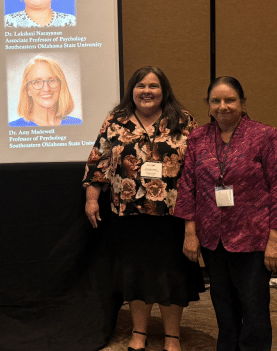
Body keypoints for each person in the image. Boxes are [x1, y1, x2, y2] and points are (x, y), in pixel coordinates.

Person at [82, 66, 204, 351]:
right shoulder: (117, 121)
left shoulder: (183, 121)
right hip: (129, 216)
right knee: (134, 274)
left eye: (153, 86)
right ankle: (140, 333)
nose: (147, 91)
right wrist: (91, 198)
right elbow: (98, 162)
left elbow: (199, 170)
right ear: (132, 91)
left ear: (164, 91)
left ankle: (172, 336)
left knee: (172, 275)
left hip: (172, 216)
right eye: (141, 86)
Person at [175, 76, 277, 351]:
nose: (223, 106)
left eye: (230, 100)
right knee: (223, 302)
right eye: (216, 101)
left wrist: (275, 239)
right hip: (212, 237)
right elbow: (187, 186)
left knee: (253, 306)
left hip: (253, 237)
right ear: (208, 106)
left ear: (242, 104)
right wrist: (190, 232)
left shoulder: (265, 135)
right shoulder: (197, 138)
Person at [9, 55, 81, 126]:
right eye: (37, 82)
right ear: (28, 90)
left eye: (51, 80)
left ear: (61, 85)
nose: (46, 89)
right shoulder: (13, 127)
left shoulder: (77, 124)